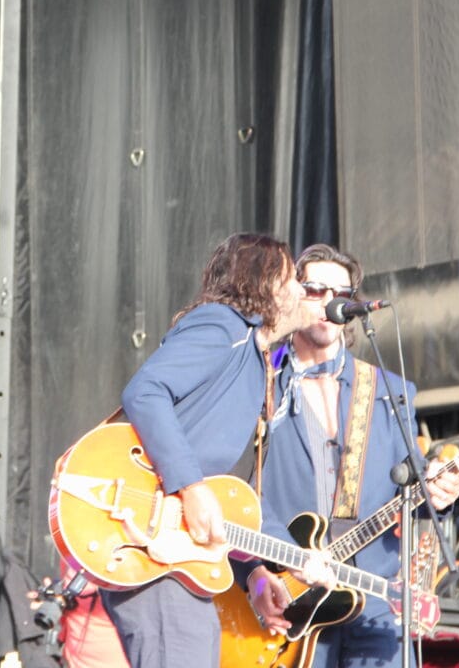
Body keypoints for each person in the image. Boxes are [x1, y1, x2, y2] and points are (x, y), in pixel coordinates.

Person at [99, 233, 326, 668]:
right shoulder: (224, 325)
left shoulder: (258, 366)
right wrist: (190, 485)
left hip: (182, 561)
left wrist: (268, 566)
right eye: (292, 277)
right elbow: (145, 391)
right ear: (264, 284)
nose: (302, 289)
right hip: (152, 547)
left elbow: (233, 496)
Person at [246, 243, 459, 668]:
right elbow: (238, 492)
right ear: (293, 295)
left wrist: (439, 490)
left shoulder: (389, 389)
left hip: (375, 597)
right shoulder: (262, 384)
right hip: (292, 593)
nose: (329, 301)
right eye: (315, 289)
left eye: (341, 293)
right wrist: (253, 575)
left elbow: (411, 483)